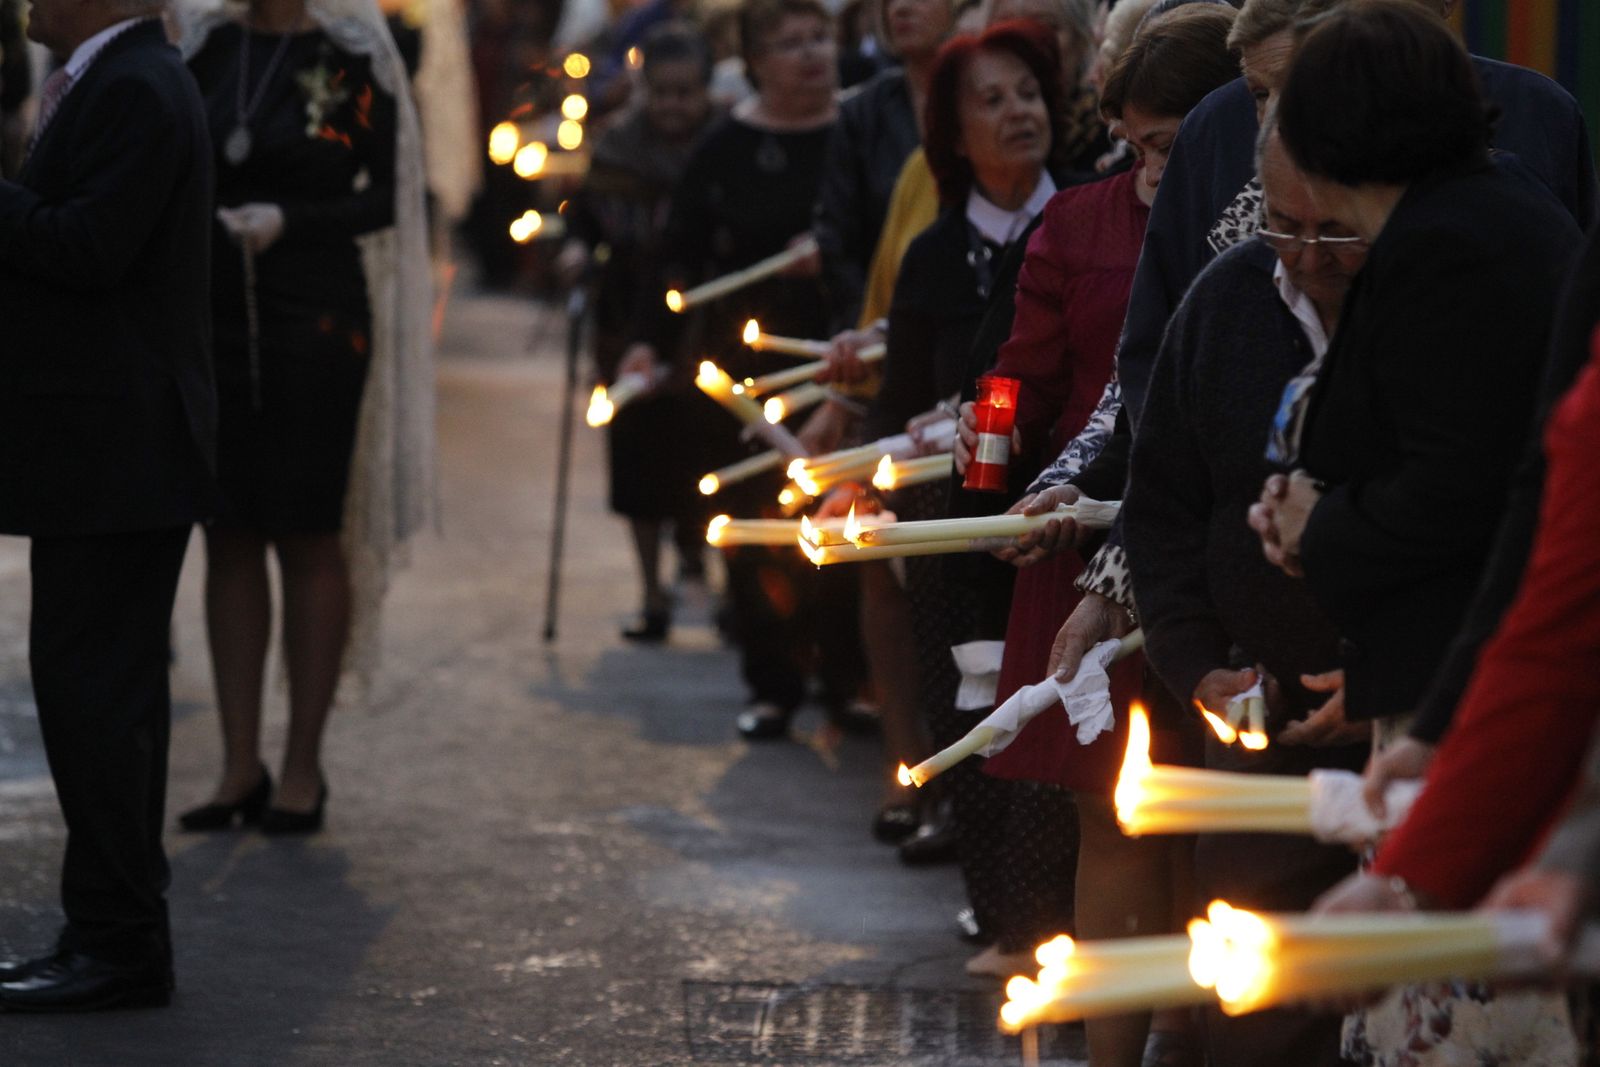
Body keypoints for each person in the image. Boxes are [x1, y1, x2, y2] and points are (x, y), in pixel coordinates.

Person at [1245, 3, 1582, 1061]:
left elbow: (1465, 486)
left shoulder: (1454, 245)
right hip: (1453, 668)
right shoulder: (1468, 217)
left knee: (1444, 1013)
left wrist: (1323, 523)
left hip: (1483, 675)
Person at [1121, 114, 1369, 1066]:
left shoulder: (1430, 303)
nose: (1308, 256)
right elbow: (1166, 502)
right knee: (1260, 1007)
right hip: (1264, 724)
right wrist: (1193, 663)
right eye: (1283, 224)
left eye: (1335, 229)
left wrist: (1389, 680)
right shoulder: (1226, 299)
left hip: (1414, 718)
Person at [0, 0, 215, 1010]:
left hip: (118, 452)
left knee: (100, 703)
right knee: (92, 699)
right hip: (101, 451)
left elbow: (90, 247)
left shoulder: (136, 85)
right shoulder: (123, 77)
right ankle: (107, 930)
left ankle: (120, 942)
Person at [176, 0, 434, 834]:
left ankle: (301, 766)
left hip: (315, 313)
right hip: (216, 309)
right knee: (230, 528)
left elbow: (386, 195)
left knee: (306, 527)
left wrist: (290, 220)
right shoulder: (207, 50)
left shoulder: (353, 58)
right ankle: (237, 761)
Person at [621, 0, 866, 741]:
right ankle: (772, 681)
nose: (811, 55)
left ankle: (846, 675)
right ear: (755, 61)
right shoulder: (727, 145)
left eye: (819, 37)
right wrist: (649, 342)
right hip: (746, 366)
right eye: (790, 44)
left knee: (845, 511)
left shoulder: (862, 126)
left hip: (844, 353)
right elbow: (680, 256)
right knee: (760, 520)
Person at [560, 23, 718, 642]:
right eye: (662, 93)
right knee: (637, 464)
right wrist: (576, 251)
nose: (674, 106)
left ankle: (708, 571)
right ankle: (651, 591)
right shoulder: (618, 148)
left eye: (686, 92)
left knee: (705, 457)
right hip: (626, 323)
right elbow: (585, 220)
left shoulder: (721, 146)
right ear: (641, 90)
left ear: (706, 89)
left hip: (707, 327)